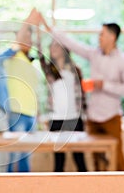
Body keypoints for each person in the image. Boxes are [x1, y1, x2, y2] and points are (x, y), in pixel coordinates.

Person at [42, 16, 124, 171]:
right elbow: (72, 44)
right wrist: (48, 27)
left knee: (117, 157)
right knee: (96, 160)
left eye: (102, 34)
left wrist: (103, 85)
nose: (99, 37)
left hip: (111, 117)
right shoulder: (94, 55)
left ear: (112, 37)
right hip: (93, 118)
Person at [39, 41, 87, 172]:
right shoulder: (50, 71)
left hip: (75, 118)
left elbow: (83, 96)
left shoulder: (75, 70)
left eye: (56, 45)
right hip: (57, 120)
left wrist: (86, 116)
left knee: (79, 159)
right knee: (59, 162)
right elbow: (39, 53)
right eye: (51, 46)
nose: (52, 48)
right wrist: (38, 32)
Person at [4, 11, 41, 172]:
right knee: (16, 155)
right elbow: (20, 37)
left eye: (30, 39)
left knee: (26, 156)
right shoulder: (13, 55)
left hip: (31, 114)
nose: (29, 41)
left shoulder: (30, 62)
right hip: (16, 112)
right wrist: (29, 21)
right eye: (26, 38)